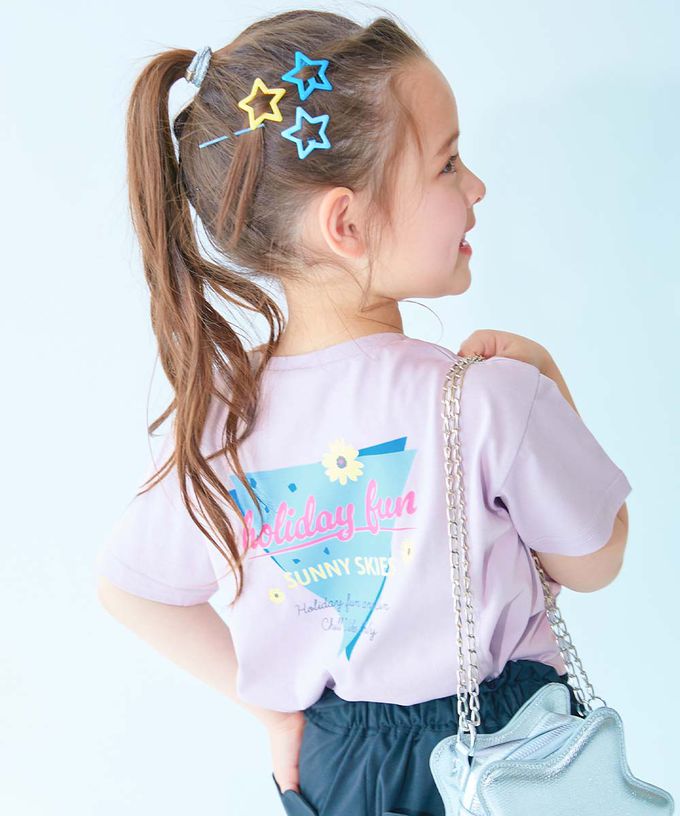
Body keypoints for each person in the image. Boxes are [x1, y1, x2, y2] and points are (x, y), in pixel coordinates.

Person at [95, 9, 632, 816]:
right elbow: (596, 559)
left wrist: (273, 710)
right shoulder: (489, 396)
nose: (476, 186)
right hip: (509, 752)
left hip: (336, 766)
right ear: (345, 223)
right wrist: (548, 379)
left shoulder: (222, 423)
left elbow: (129, 588)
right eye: (448, 164)